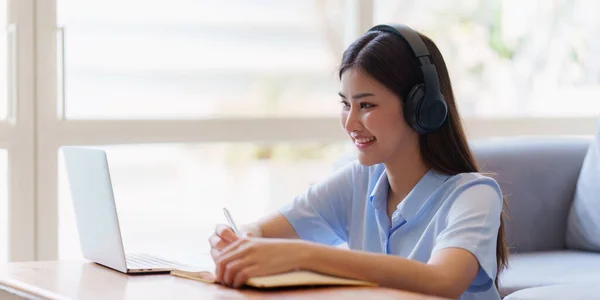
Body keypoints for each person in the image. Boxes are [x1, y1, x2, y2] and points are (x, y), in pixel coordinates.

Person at [208, 23, 508, 300]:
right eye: (345, 104)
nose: (350, 122)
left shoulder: (474, 195)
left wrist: (302, 255)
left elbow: (443, 280)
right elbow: (260, 231)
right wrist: (239, 244)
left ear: (422, 108)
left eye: (366, 105)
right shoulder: (359, 181)